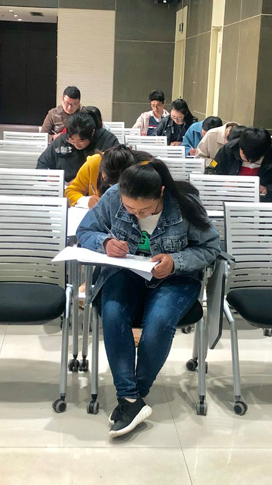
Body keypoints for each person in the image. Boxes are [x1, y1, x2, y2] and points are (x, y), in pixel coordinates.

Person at [76, 160, 220, 438]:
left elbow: (211, 248)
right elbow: (85, 231)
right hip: (125, 271)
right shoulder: (113, 197)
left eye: (144, 210)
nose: (136, 214)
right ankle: (131, 399)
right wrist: (105, 243)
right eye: (129, 209)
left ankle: (132, 397)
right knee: (112, 312)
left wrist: (175, 261)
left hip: (175, 277)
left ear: (161, 193)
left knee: (160, 321)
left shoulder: (184, 204)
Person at [211, 126, 272, 201]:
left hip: (265, 202)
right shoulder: (228, 149)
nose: (249, 162)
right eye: (245, 158)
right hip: (230, 198)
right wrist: (223, 182)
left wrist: (268, 189)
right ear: (240, 147)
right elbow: (211, 170)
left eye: (256, 160)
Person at [37, 111, 118, 183]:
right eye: (72, 140)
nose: (76, 144)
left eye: (81, 141)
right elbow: (42, 164)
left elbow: (118, 168)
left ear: (92, 133)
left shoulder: (107, 140)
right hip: (64, 189)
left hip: (97, 189)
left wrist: (81, 182)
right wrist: (47, 177)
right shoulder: (62, 141)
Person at [65, 145, 152, 208]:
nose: (112, 187)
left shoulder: (145, 169)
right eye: (107, 180)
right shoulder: (94, 163)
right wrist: (85, 201)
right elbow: (71, 191)